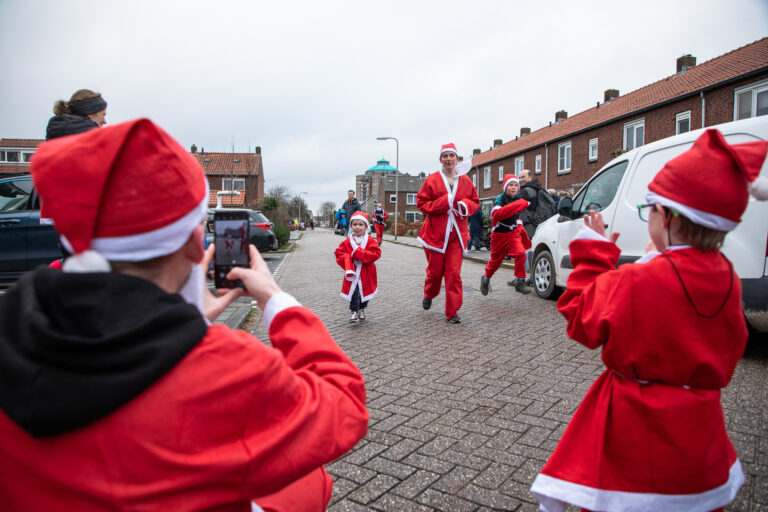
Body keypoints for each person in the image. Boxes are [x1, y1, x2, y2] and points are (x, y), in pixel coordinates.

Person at [0, 119, 369, 511]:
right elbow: (344, 405)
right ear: (197, 244)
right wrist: (275, 300)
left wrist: (184, 322)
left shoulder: (15, 322)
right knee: (311, 478)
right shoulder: (224, 367)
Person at [530, 129, 768, 512]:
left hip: (635, 429)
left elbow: (582, 319)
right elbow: (729, 339)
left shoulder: (638, 280)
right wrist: (661, 257)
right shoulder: (728, 277)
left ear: (670, 217)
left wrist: (593, 253)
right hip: (698, 433)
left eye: (650, 209)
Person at [416, 143, 479, 323]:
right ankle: (429, 294)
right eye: (445, 156)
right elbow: (421, 204)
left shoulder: (465, 181)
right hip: (436, 234)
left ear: (457, 159)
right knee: (435, 273)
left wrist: (465, 206)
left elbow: (475, 202)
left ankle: (452, 312)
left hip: (457, 235)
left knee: (453, 273)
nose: (449, 159)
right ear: (440, 160)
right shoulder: (432, 180)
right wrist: (445, 202)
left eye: (452, 155)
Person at [480, 175, 531, 296]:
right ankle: (486, 279)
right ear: (505, 187)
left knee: (521, 253)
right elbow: (498, 214)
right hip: (499, 235)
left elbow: (517, 215)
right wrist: (520, 204)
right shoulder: (500, 199)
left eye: (515, 185)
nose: (513, 188)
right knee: (496, 262)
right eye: (510, 185)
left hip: (513, 233)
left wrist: (520, 227)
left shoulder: (518, 198)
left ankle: (519, 281)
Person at [334, 212, 381, 323]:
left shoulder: (370, 241)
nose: (358, 227)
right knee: (354, 292)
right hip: (353, 272)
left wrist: (359, 253)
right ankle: (354, 311)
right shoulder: (347, 241)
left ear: (365, 226)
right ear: (351, 226)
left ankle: (362, 308)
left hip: (366, 271)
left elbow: (376, 254)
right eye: (355, 224)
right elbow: (338, 253)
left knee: (365, 293)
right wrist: (347, 260)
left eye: (360, 224)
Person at [518, 168, 556, 238]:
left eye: (523, 177)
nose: (520, 180)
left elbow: (519, 209)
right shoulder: (539, 188)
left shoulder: (526, 191)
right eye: (519, 178)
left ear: (530, 177)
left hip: (528, 227)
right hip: (538, 225)